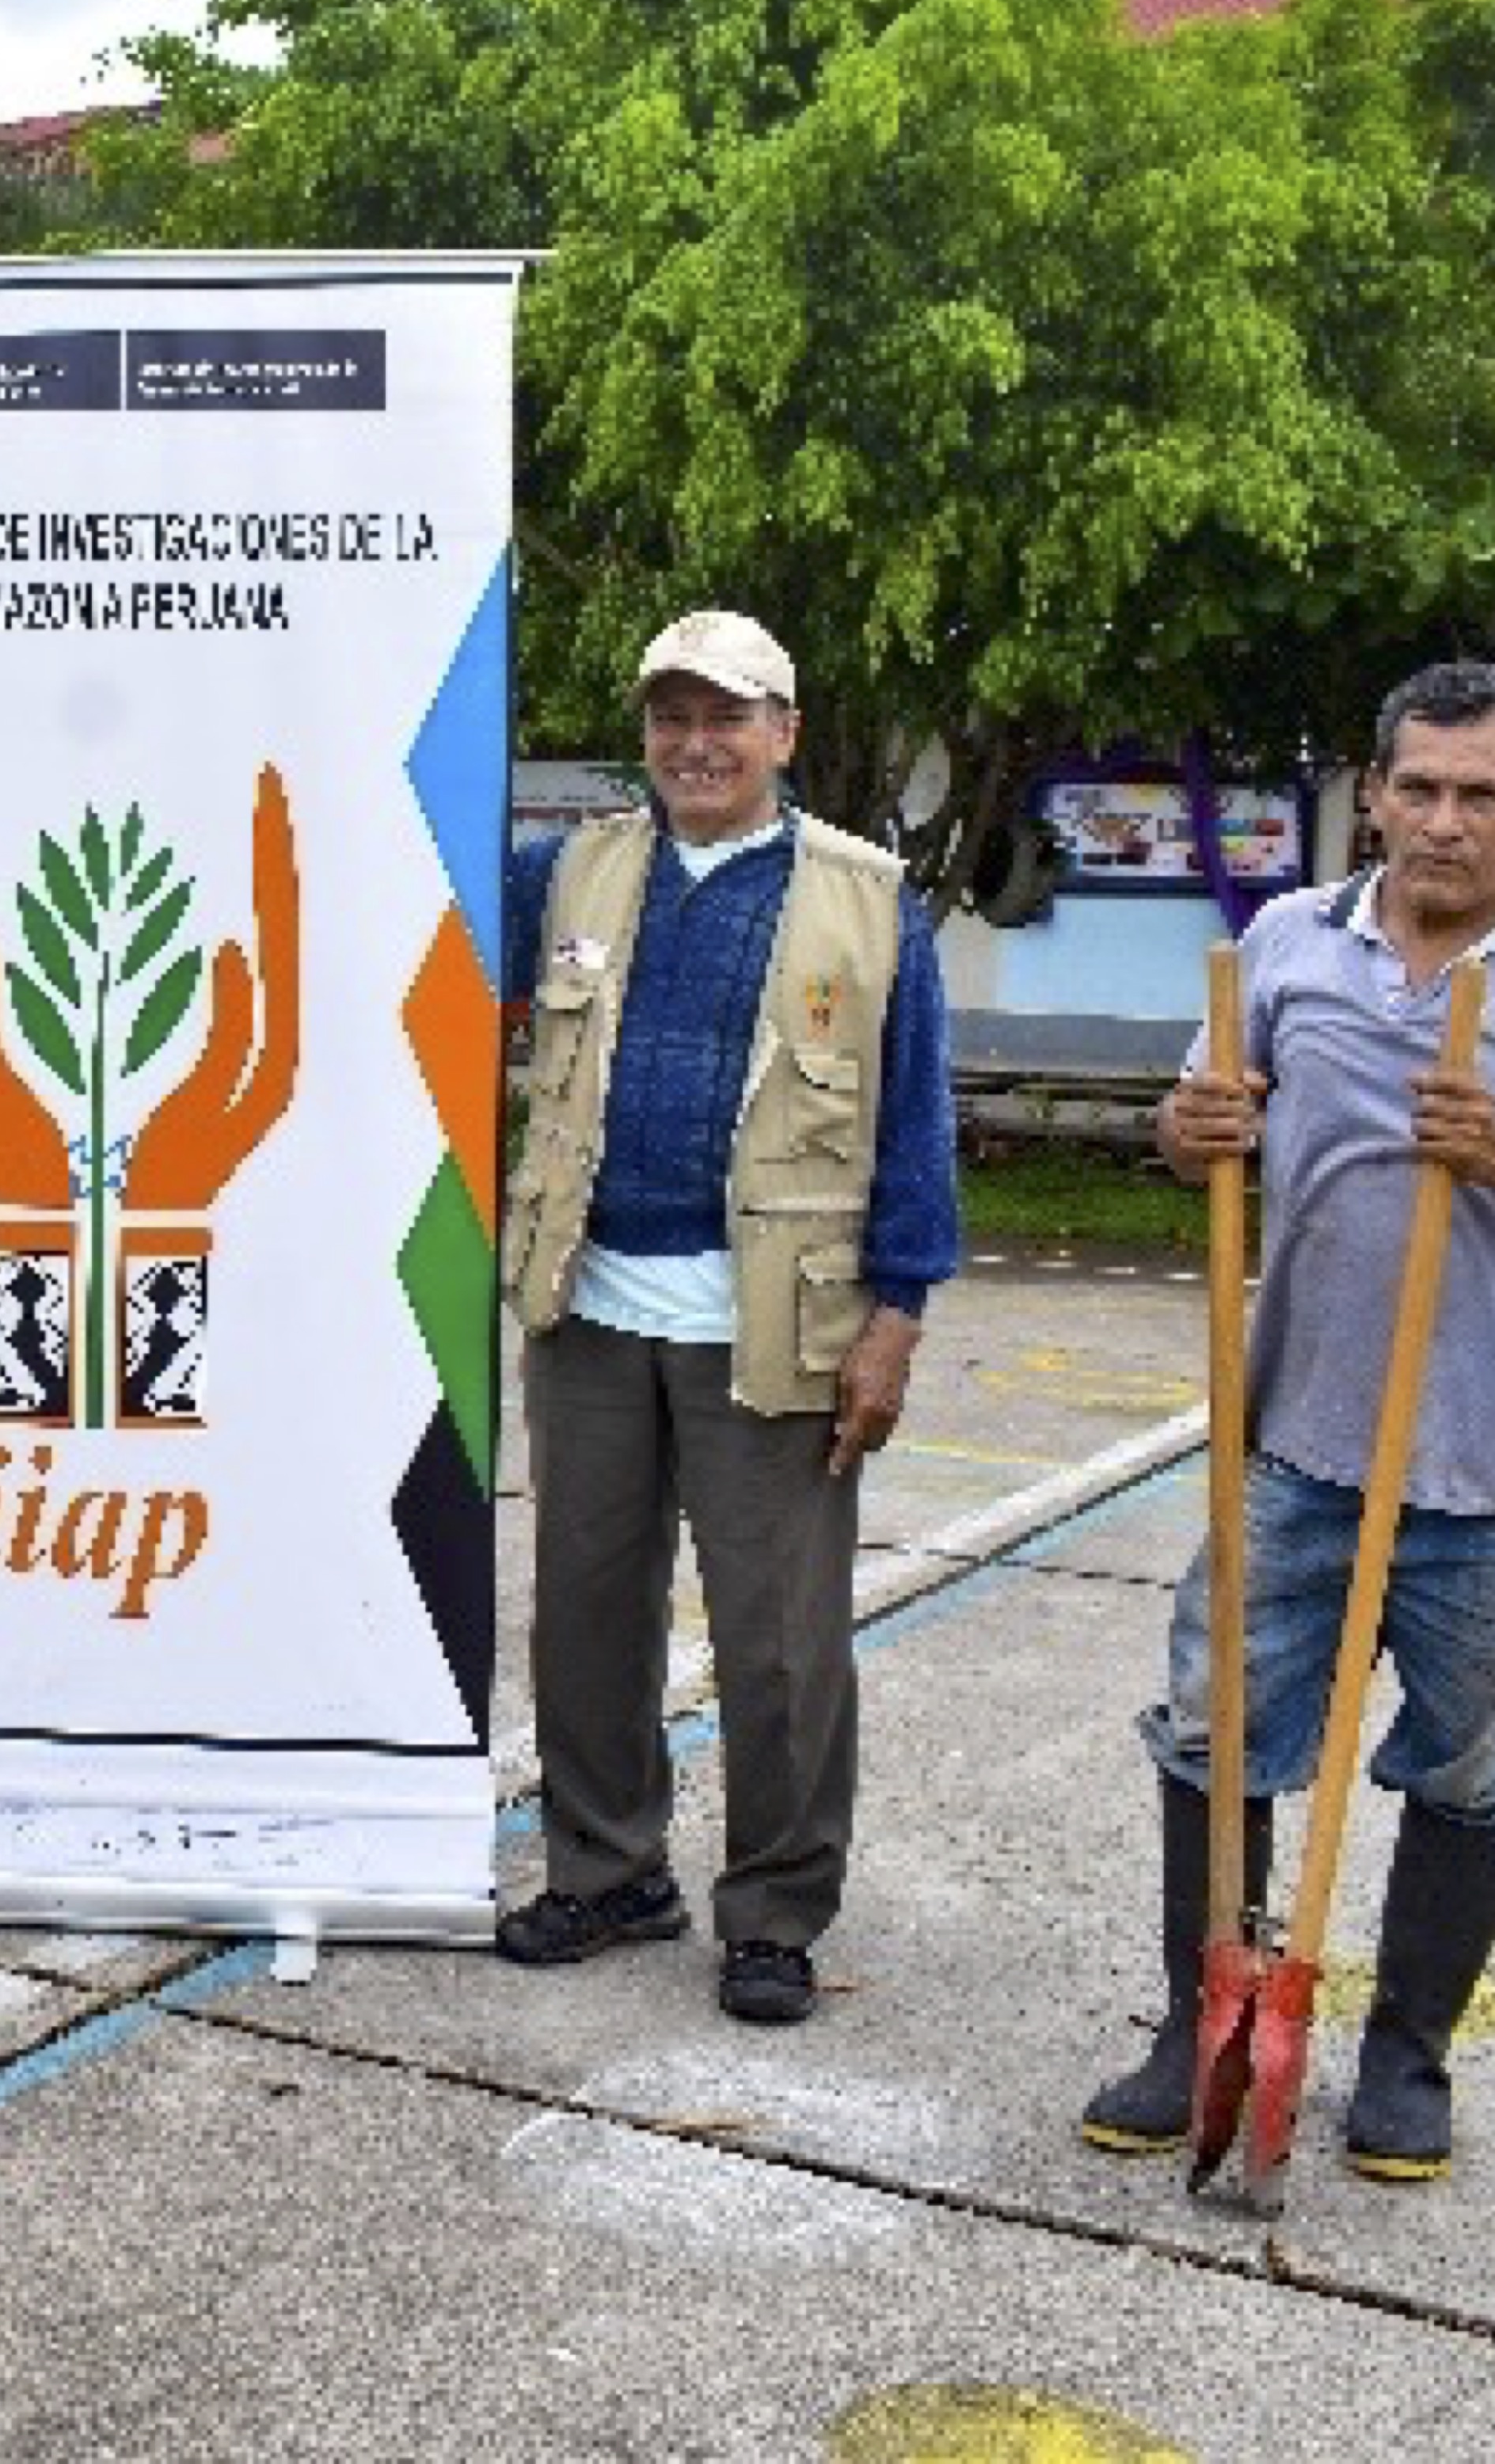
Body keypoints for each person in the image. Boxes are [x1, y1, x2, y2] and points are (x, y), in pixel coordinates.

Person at [1081, 661, 1495, 2179]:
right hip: (1292, 1443)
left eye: (1481, 794)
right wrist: (1188, 1130)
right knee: (1215, 1730)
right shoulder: (1289, 942)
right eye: (1416, 788)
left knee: (1477, 1766)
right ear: (1374, 792)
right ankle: (1204, 2026)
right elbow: (1199, 1127)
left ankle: (1407, 2059)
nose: (1442, 822)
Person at [493, 610, 957, 2026]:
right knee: (581, 1619)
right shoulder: (562, 870)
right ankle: (610, 1867)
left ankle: (774, 1911)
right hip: (587, 1306)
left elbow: (919, 1121)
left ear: (785, 736)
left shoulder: (871, 898)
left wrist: (899, 1316)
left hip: (779, 1325)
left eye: (729, 717)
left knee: (778, 1644)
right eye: (672, 717)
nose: (697, 744)